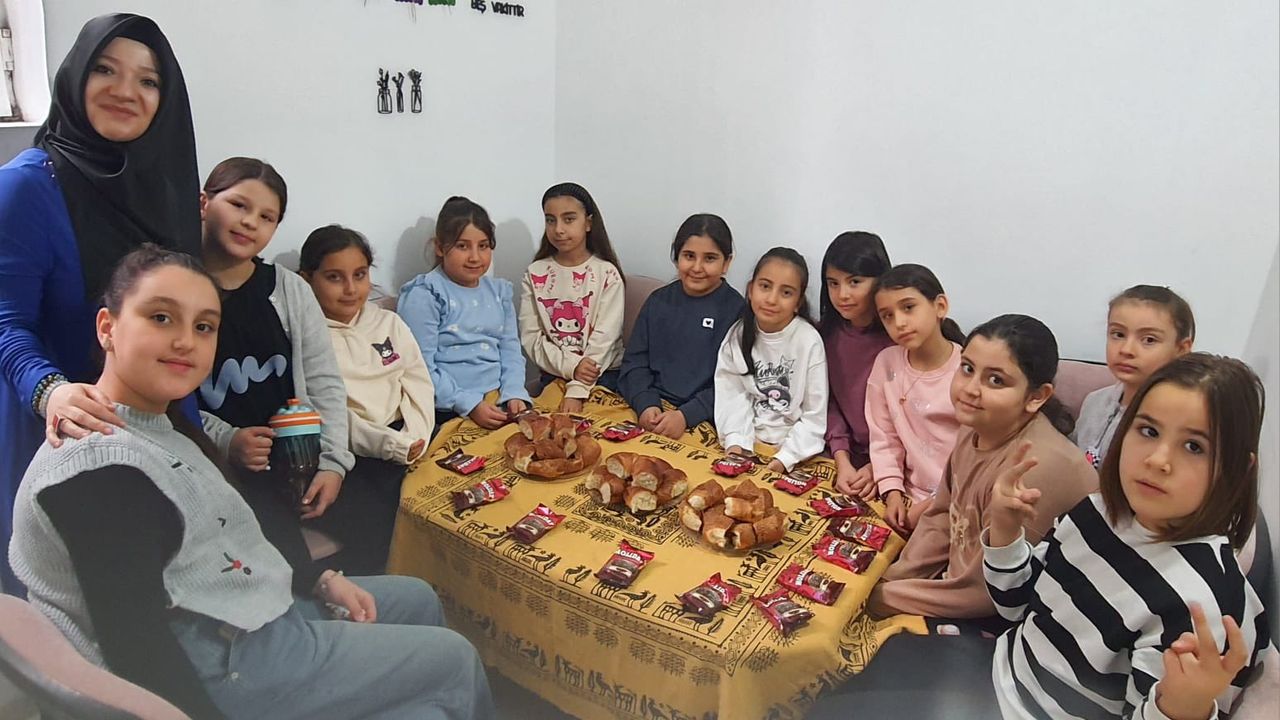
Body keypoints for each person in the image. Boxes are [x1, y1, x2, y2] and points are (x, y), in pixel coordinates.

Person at [9, 245, 493, 720]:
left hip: (242, 607)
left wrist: (318, 579)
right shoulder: (100, 467)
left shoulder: (162, 423)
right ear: (107, 328)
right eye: (161, 318)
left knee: (417, 598)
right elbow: (137, 648)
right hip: (221, 660)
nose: (185, 341)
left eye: (203, 326)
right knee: (453, 659)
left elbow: (228, 532)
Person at [0, 13, 199, 593]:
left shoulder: (164, 188)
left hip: (160, 424)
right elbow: (6, 321)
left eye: (148, 80)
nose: (125, 91)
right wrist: (52, 392)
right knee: (82, 615)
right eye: (105, 70)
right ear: (75, 78)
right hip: (64, 428)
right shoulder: (27, 186)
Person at [981, 352, 1270, 718]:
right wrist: (1006, 531)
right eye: (1148, 431)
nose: (1157, 460)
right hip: (995, 677)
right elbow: (1016, 606)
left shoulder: (1201, 603)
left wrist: (1181, 707)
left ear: (1238, 469)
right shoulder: (1095, 511)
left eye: (1194, 446)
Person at [196, 157, 390, 576]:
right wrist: (227, 440)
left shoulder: (287, 289)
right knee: (281, 563)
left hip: (299, 462)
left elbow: (324, 384)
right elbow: (169, 403)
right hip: (222, 472)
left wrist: (333, 464)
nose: (250, 222)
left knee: (381, 521)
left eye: (267, 217)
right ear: (204, 203)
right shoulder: (181, 287)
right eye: (239, 205)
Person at [867, 315, 1097, 620]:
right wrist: (889, 580)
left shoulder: (1034, 468)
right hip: (956, 587)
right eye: (967, 368)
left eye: (996, 380)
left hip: (1013, 618)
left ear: (1036, 397)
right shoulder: (976, 426)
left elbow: (990, 594)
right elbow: (942, 516)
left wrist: (878, 599)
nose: (970, 389)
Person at [298, 224, 432, 508]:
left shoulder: (388, 322)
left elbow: (418, 384)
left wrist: (415, 437)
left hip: (411, 437)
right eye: (334, 277)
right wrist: (390, 445)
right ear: (306, 280)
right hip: (354, 452)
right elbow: (330, 415)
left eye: (360, 275)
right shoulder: (308, 341)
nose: (350, 289)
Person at [398, 196, 529, 431]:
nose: (475, 257)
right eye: (462, 246)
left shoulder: (499, 292)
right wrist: (469, 404)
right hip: (449, 407)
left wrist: (514, 392)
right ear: (440, 247)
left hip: (498, 399)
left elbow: (510, 349)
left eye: (483, 246)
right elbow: (419, 367)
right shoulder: (426, 294)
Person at [619, 213, 744, 438]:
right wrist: (645, 403)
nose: (697, 267)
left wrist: (686, 416)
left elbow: (735, 383)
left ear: (727, 263)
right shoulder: (658, 301)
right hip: (650, 407)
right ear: (676, 257)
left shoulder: (737, 311)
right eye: (689, 256)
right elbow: (635, 362)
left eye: (709, 258)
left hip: (703, 417)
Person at [865, 263, 965, 536]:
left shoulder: (967, 371)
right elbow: (884, 436)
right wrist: (891, 491)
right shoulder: (887, 363)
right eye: (887, 316)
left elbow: (978, 456)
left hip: (958, 499)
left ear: (940, 306)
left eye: (908, 307)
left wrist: (932, 505)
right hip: (904, 494)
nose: (899, 322)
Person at [714, 247, 827, 473]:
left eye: (786, 293)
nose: (772, 299)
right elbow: (732, 396)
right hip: (745, 442)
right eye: (765, 286)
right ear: (750, 290)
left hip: (792, 450)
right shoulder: (737, 335)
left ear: (798, 302)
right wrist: (736, 443)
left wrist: (786, 458)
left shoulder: (809, 341)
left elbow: (814, 415)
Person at [519, 182, 626, 413]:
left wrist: (578, 389)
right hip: (556, 374)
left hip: (603, 375)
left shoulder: (607, 274)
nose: (558, 229)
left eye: (569, 219)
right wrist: (572, 366)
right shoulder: (535, 274)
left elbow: (605, 340)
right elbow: (532, 338)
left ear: (588, 223)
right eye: (550, 220)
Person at [1074, 284, 1194, 470]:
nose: (1126, 350)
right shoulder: (1094, 401)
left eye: (1149, 340)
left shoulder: (1175, 421)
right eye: (1118, 334)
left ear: (1181, 349)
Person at [818, 232, 895, 498]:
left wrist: (880, 467)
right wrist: (842, 460)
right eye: (833, 283)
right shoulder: (826, 335)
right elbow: (828, 403)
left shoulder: (900, 339)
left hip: (897, 460)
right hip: (843, 454)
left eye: (855, 282)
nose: (842, 294)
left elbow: (913, 420)